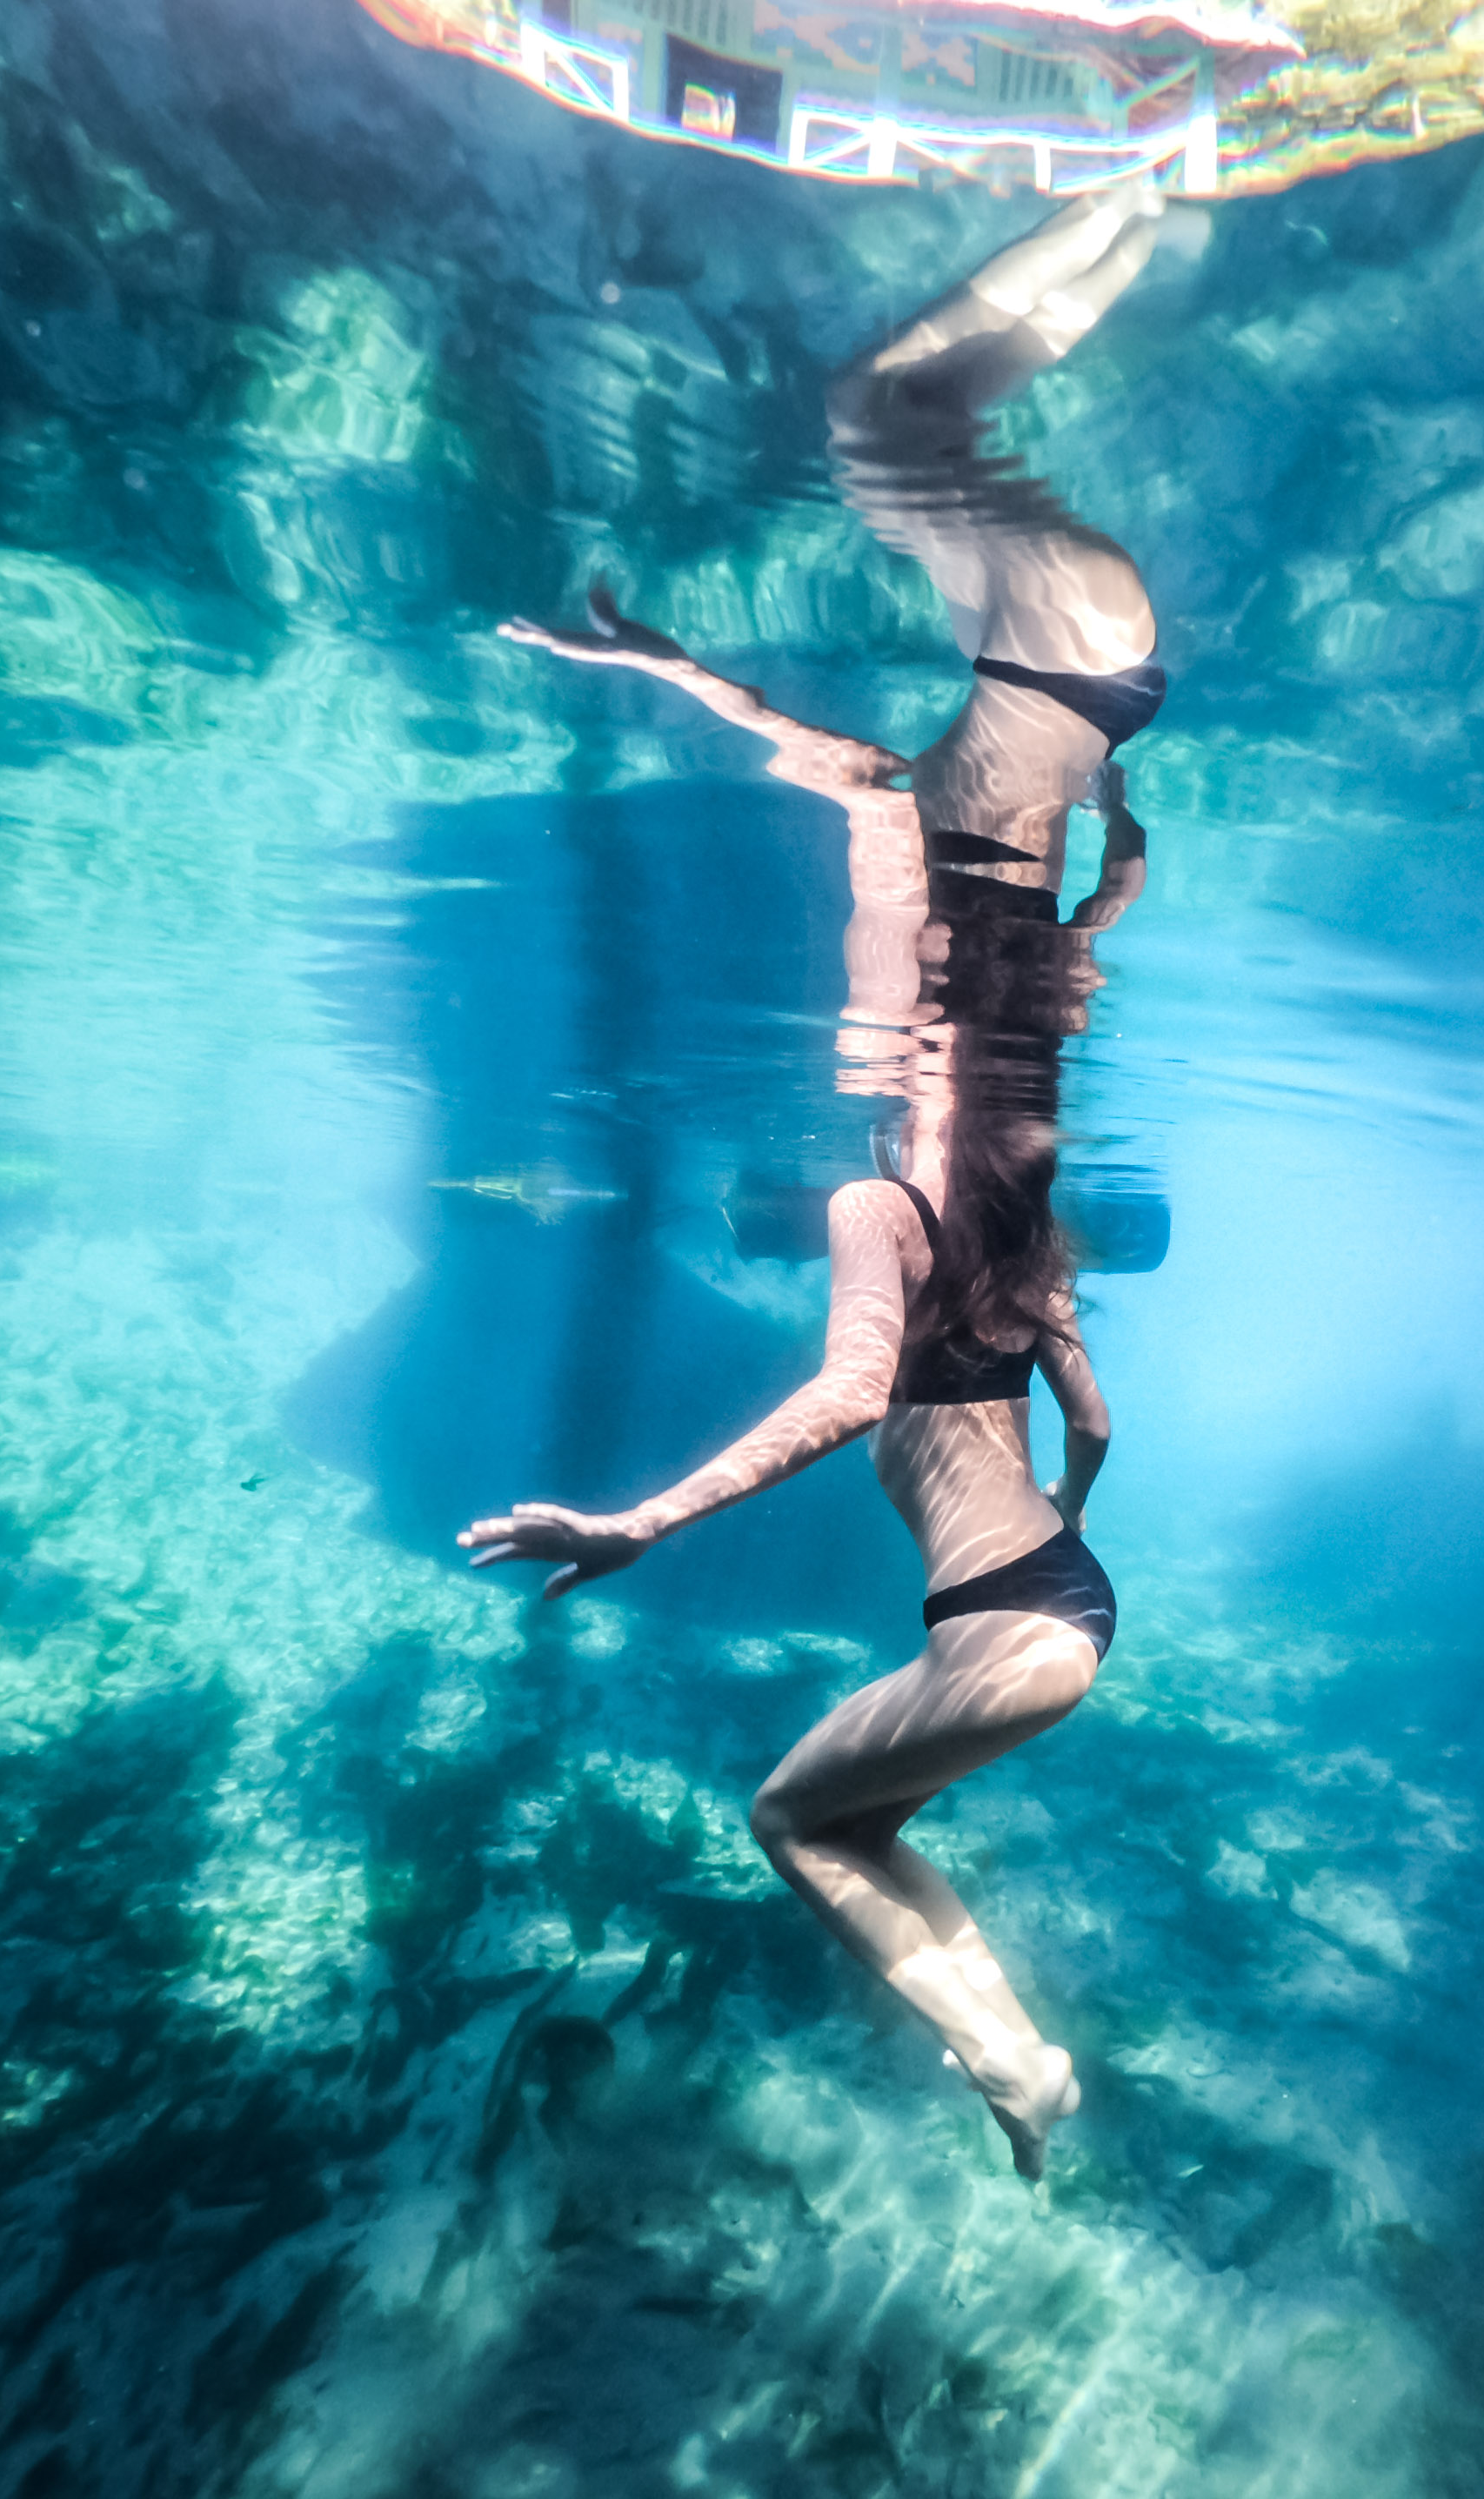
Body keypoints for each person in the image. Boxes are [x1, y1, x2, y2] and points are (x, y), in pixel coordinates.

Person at [458, 184, 1182, 2178]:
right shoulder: (931, 1136)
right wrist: (666, 681)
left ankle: (1151, 193)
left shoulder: (974, 1235)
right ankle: (1148, 204)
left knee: (889, 419)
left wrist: (635, 1521)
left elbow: (947, 1396)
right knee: (889, 422)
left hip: (1055, 1608)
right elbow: (851, 780)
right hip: (1065, 688)